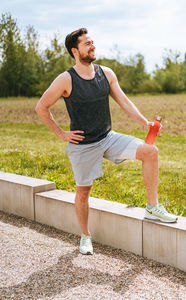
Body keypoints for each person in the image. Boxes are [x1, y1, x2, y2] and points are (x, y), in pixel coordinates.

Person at [36, 28, 178, 255]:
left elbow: (124, 101)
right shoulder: (65, 79)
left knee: (150, 152)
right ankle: (85, 236)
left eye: (93, 42)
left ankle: (152, 207)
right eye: (87, 44)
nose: (93, 46)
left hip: (108, 137)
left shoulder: (106, 73)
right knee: (84, 191)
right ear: (75, 51)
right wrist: (62, 134)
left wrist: (146, 124)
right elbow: (41, 107)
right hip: (83, 145)